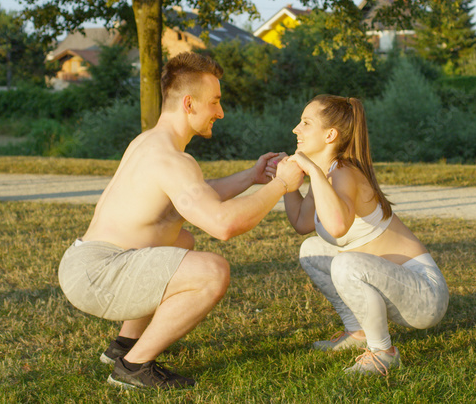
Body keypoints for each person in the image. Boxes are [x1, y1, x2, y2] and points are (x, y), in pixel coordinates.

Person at [58, 52, 304, 390]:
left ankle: (124, 346)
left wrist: (252, 176)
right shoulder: (172, 159)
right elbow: (224, 225)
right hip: (98, 274)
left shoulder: (150, 142)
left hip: (86, 264)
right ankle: (132, 367)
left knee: (181, 241)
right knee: (212, 271)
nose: (220, 112)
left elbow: (192, 197)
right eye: (215, 102)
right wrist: (281, 185)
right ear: (189, 103)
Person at [277, 95, 449, 376]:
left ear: (330, 134)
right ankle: (356, 333)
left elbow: (336, 227)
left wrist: (310, 170)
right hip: (392, 282)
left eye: (305, 123)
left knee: (345, 263)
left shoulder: (344, 173)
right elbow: (300, 222)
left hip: (425, 296)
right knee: (311, 249)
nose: (296, 129)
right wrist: (284, 183)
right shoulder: (326, 173)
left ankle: (384, 353)